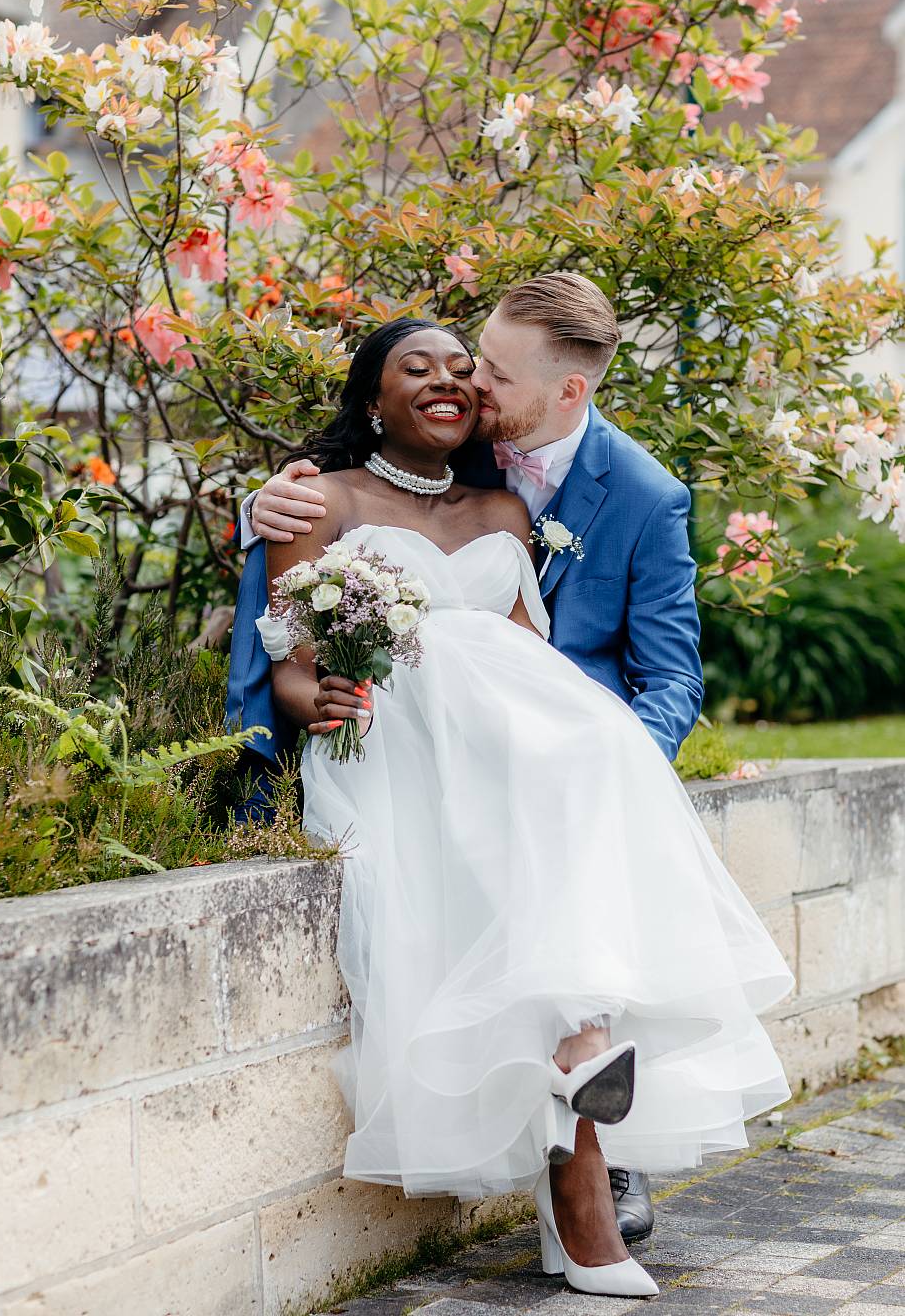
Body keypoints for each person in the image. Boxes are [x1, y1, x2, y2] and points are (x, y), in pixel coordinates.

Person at [250, 315, 794, 1299]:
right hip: (392, 740)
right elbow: (288, 664)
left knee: (582, 768)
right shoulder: (315, 499)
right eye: (417, 368)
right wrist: (316, 695)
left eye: (466, 370)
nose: (451, 382)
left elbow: (531, 665)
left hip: (504, 746)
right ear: (371, 396)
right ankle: (579, 1192)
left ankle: (580, 1074)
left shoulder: (502, 512)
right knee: (545, 842)